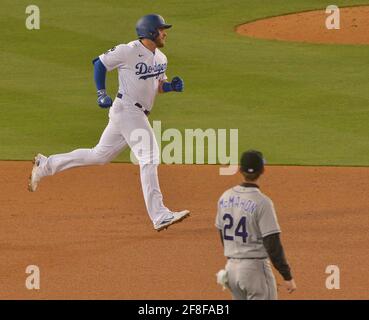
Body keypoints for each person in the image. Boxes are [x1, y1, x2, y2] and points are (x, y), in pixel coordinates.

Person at [28, 14, 190, 232]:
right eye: (162, 29)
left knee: (99, 155)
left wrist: (171, 87)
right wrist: (101, 93)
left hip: (135, 114)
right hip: (127, 110)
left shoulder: (161, 58)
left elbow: (157, 85)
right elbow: (99, 63)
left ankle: (45, 165)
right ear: (151, 32)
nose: (165, 33)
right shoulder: (128, 50)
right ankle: (159, 215)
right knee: (149, 157)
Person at [215, 150, 296, 299]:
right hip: (255, 270)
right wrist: (287, 276)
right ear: (263, 170)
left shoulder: (225, 197)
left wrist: (234, 259)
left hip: (231, 270)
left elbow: (222, 234)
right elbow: (273, 244)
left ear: (240, 170)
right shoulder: (263, 203)